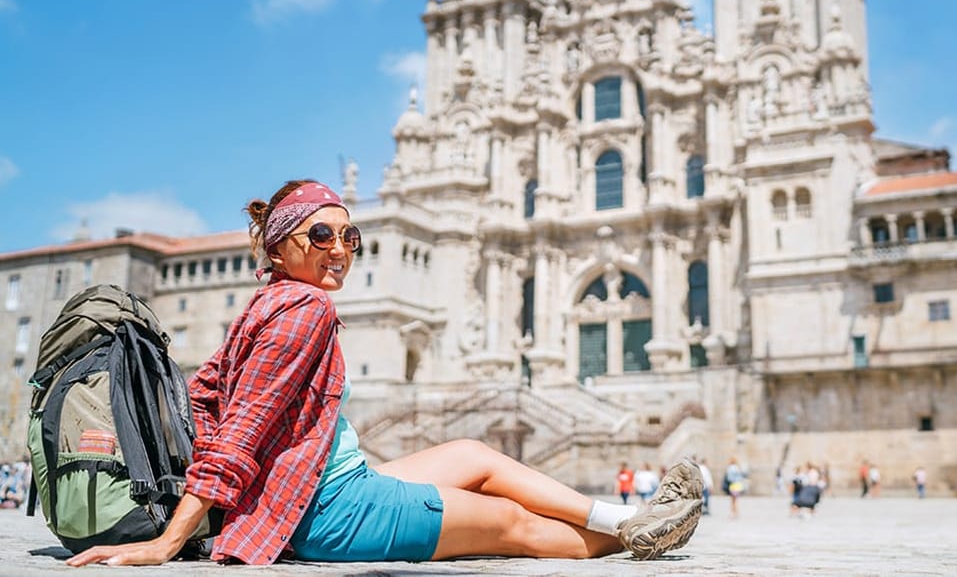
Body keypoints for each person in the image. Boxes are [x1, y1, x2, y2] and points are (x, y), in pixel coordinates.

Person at [67, 180, 704, 567]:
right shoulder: (305, 308)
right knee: (511, 526)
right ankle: (638, 538)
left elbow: (203, 397)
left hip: (330, 484)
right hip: (329, 513)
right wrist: (169, 541)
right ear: (281, 244)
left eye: (352, 237)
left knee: (474, 454)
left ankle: (622, 517)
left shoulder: (264, 303)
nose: (341, 251)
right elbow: (238, 432)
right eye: (322, 235)